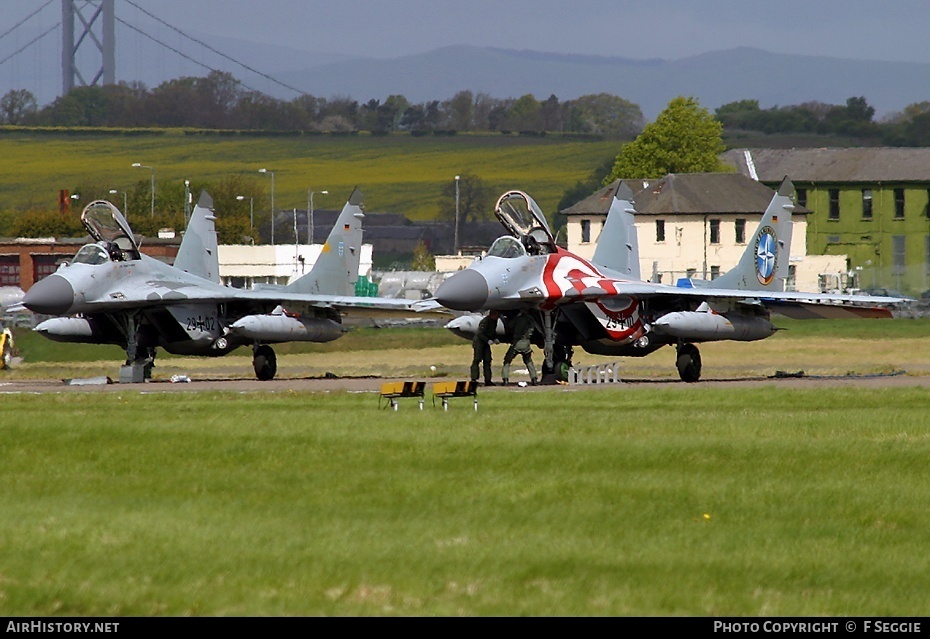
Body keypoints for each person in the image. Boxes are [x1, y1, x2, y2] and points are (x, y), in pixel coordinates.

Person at [501, 309, 538, 386]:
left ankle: (505, 380)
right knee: (528, 361)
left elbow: (510, 325)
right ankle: (534, 379)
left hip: (516, 343)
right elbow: (533, 328)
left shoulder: (518, 319)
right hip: (526, 344)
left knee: (507, 362)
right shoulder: (530, 319)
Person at [470, 310, 500, 386]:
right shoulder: (485, 321)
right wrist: (488, 340)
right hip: (479, 343)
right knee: (477, 360)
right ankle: (474, 379)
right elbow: (480, 333)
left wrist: (495, 338)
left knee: (487, 360)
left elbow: (492, 332)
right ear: (492, 315)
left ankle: (488, 380)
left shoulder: (494, 321)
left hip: (486, 343)